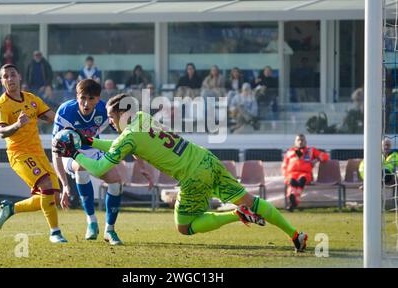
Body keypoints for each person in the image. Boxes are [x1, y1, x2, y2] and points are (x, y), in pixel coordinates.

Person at [53, 93, 308, 252]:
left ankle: (236, 215)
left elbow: (99, 167)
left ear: (122, 113)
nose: (109, 122)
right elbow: (117, 144)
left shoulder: (128, 137)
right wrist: (88, 142)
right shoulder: (142, 117)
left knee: (184, 227)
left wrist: (75, 153)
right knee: (252, 200)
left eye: (111, 116)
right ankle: (295, 235)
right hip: (207, 159)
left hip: (192, 176)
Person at [0, 63, 68, 243]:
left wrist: (70, 125)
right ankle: (55, 232)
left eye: (12, 75)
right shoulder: (1, 105)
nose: (10, 79)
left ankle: (11, 209)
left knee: (53, 197)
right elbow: (2, 132)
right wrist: (18, 125)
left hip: (38, 152)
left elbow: (53, 117)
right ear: (2, 81)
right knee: (46, 184)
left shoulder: (31, 99)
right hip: (19, 153)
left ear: (19, 77)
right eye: (6, 76)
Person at [52, 79, 127, 245]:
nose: (86, 103)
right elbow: (55, 151)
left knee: (116, 181)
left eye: (91, 98)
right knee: (81, 166)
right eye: (83, 98)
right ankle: (91, 221)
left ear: (98, 99)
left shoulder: (104, 110)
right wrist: (64, 185)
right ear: (77, 96)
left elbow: (125, 132)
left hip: (94, 149)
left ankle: (110, 230)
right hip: (70, 154)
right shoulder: (65, 112)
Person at [282, 134, 329, 212]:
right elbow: (284, 165)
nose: (300, 142)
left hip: (305, 174)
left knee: (301, 180)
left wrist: (316, 159)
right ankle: (294, 200)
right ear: (295, 142)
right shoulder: (290, 152)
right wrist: (285, 176)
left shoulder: (311, 150)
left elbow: (325, 156)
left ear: (305, 142)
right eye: (298, 140)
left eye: (302, 140)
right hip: (292, 174)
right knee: (292, 181)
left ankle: (294, 200)